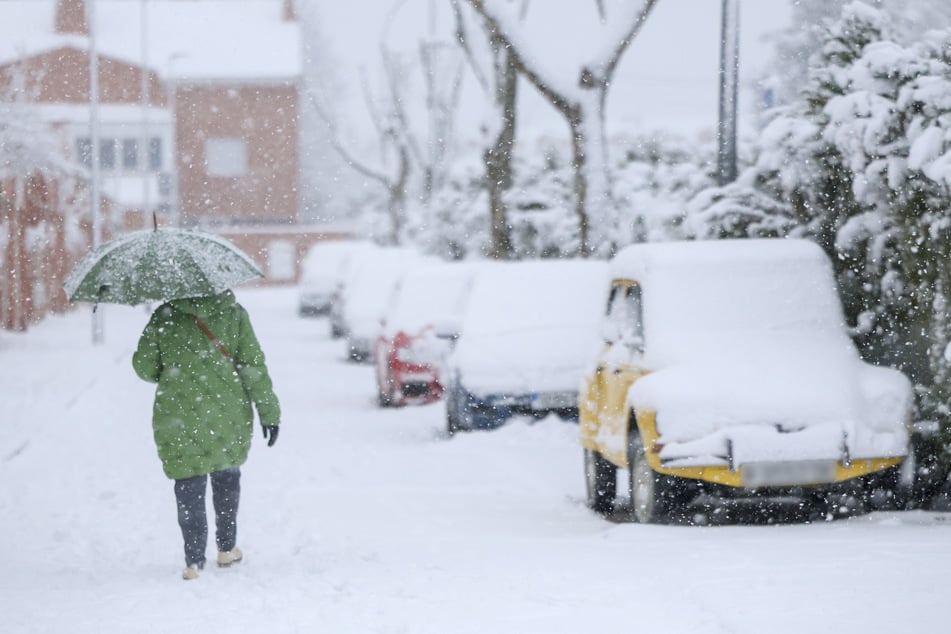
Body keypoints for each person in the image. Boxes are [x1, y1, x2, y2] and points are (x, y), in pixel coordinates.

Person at [132, 289, 281, 580]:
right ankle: (226, 548)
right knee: (227, 477)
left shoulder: (165, 315)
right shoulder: (234, 313)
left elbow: (144, 367)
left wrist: (174, 368)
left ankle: (194, 561)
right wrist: (269, 412)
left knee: (189, 483)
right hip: (227, 411)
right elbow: (253, 366)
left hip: (178, 414)